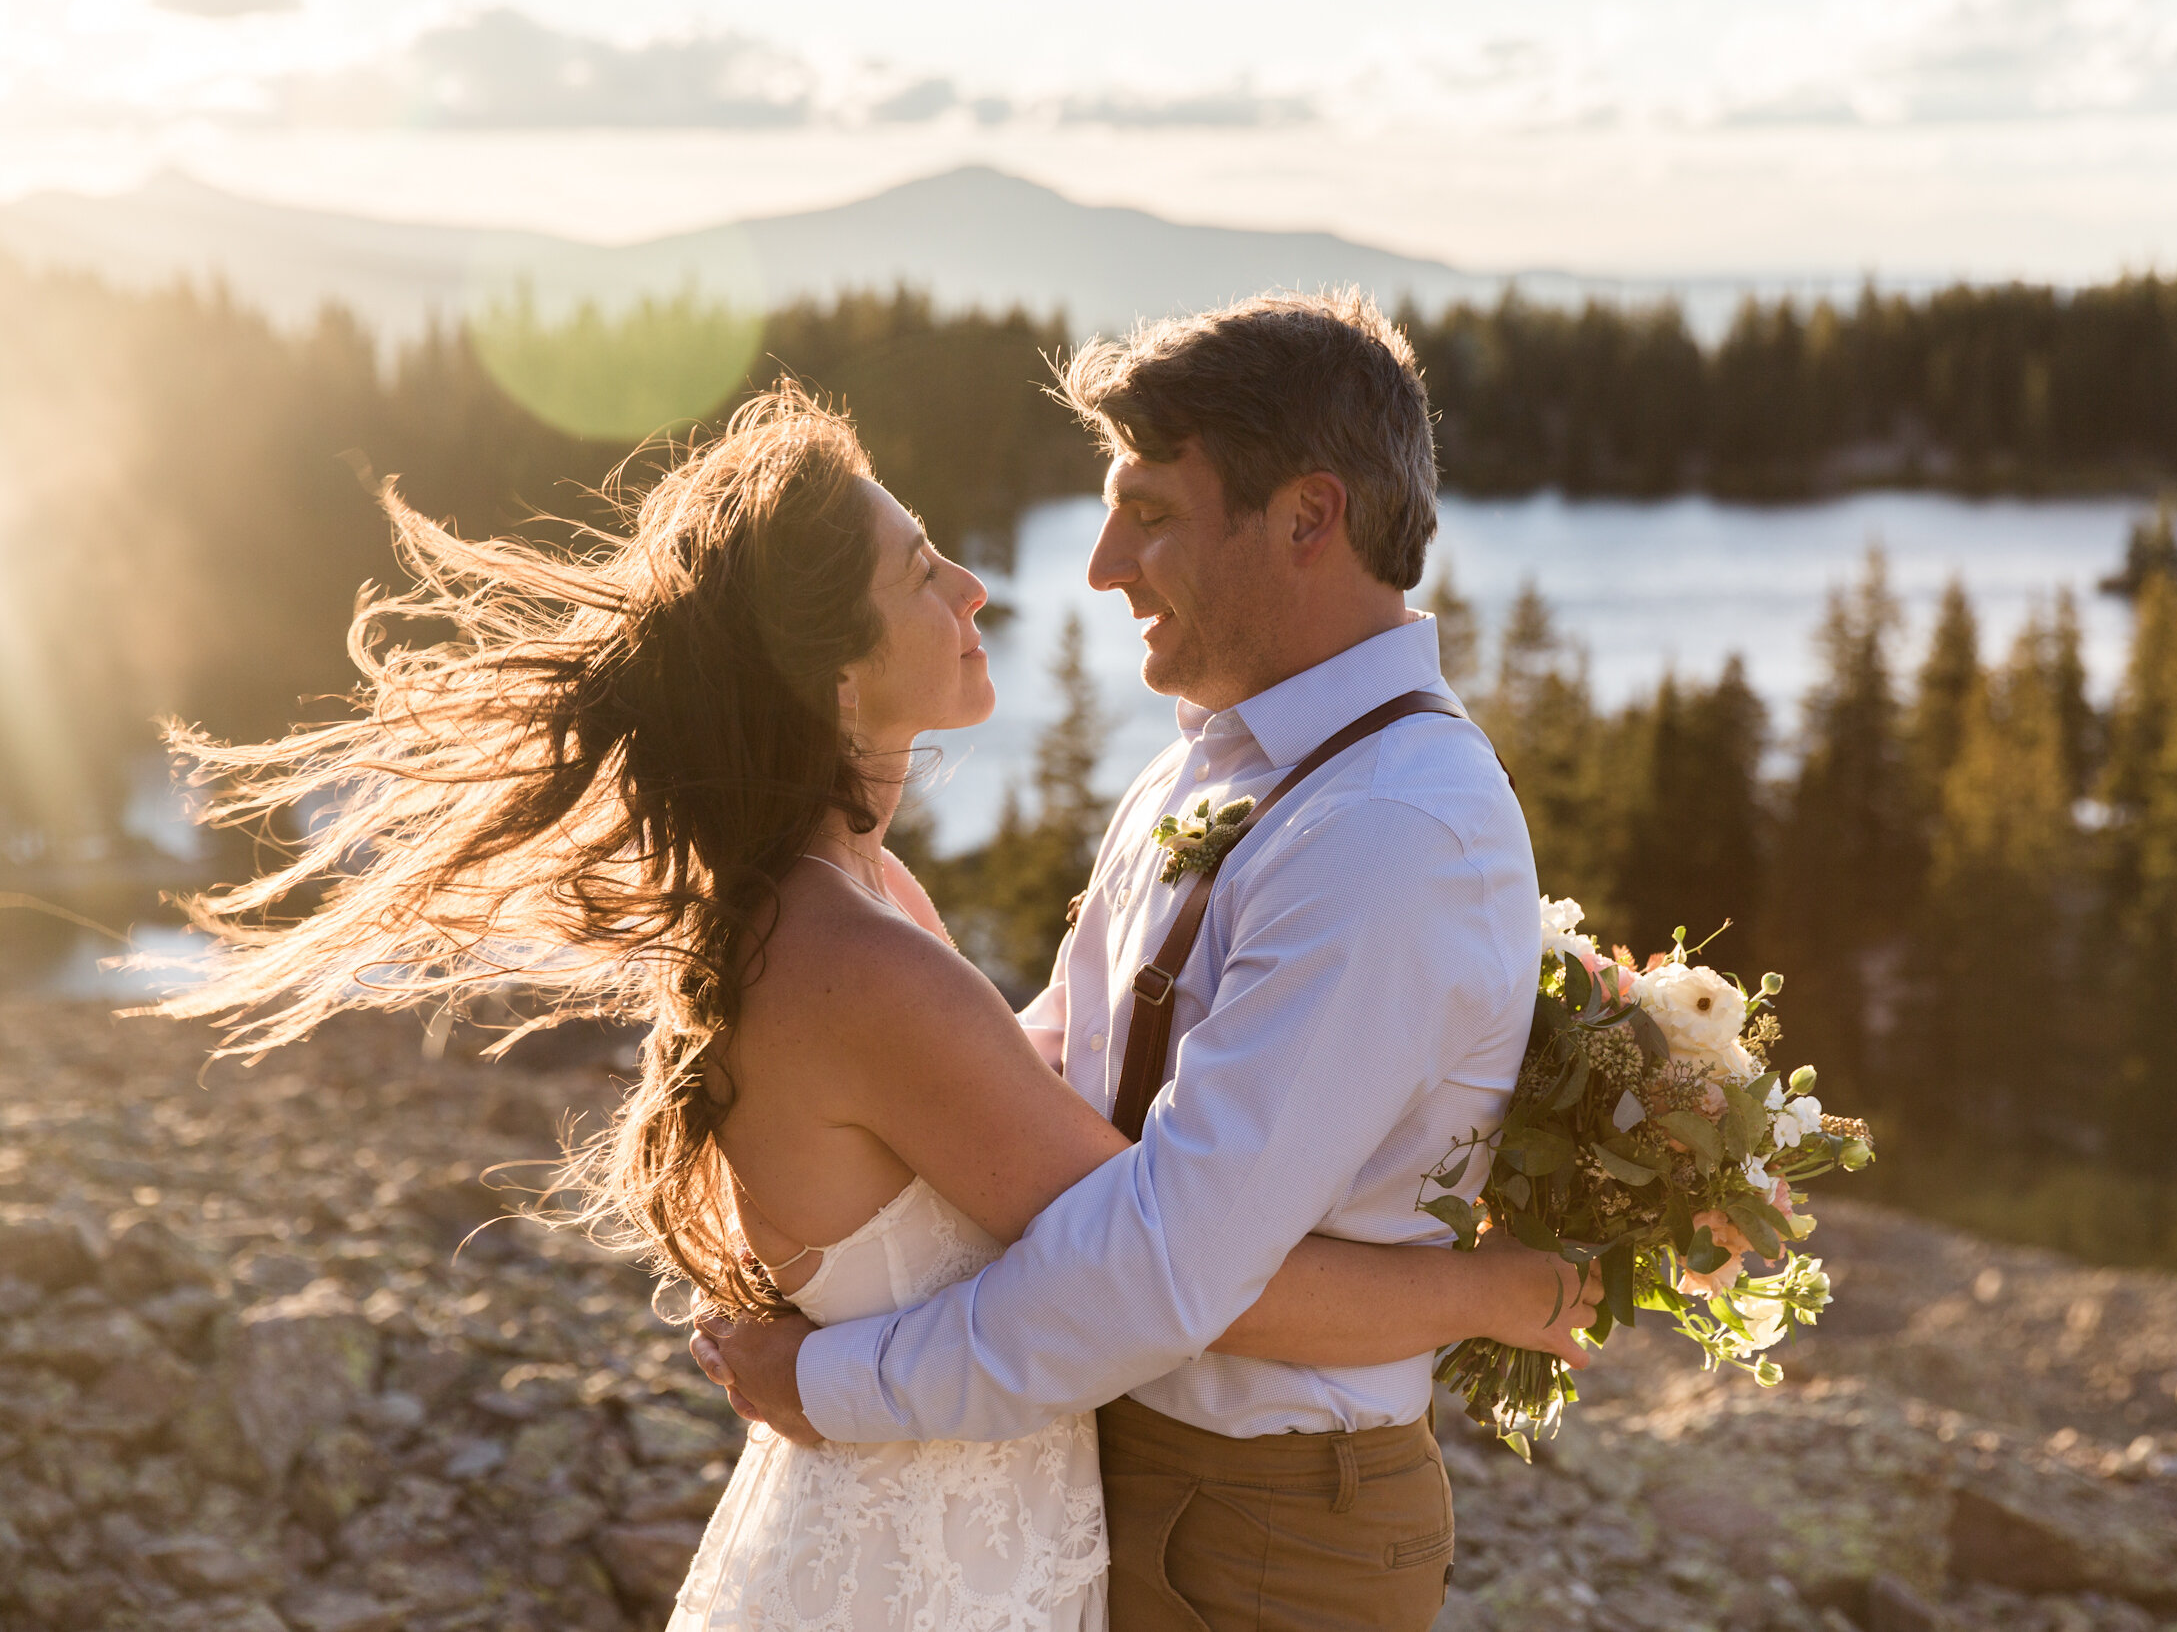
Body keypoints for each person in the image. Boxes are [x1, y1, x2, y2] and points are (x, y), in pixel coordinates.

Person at [149, 378, 1591, 1632]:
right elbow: (1169, 1265)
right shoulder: (855, 959)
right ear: (829, 676)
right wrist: (1499, 1290)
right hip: (937, 1565)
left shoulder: (862, 905)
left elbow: (1087, 1127)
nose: (978, 590)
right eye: (920, 575)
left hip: (963, 1527)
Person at [695, 293, 1552, 1631]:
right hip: (1118, 1472)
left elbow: (1164, 1265)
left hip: (1261, 1521)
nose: (1101, 565)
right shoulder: (1206, 766)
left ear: (1309, 519)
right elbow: (1049, 1071)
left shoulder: (1387, 834)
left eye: (1148, 512)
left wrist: (833, 1386)